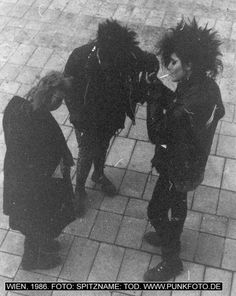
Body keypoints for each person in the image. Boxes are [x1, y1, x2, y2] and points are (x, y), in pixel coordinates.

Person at [143, 18, 225, 281]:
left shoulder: (185, 106)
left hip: (177, 166)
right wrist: (163, 91)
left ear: (190, 64)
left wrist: (154, 96)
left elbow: (156, 133)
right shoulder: (206, 87)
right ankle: (170, 235)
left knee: (156, 211)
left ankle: (171, 258)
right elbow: (216, 110)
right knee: (176, 203)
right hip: (192, 162)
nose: (169, 66)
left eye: (174, 62)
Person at [64, 19, 144, 216]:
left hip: (110, 115)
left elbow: (148, 61)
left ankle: (98, 175)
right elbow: (67, 88)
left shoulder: (124, 54)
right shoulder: (80, 56)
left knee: (102, 146)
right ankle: (79, 189)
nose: (110, 65)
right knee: (86, 152)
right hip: (86, 117)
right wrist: (76, 115)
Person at [3, 71, 75, 270]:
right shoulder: (36, 120)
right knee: (37, 219)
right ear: (49, 94)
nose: (60, 104)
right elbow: (37, 156)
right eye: (59, 99)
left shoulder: (15, 105)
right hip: (33, 183)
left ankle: (42, 242)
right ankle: (32, 260)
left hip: (20, 178)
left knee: (34, 219)